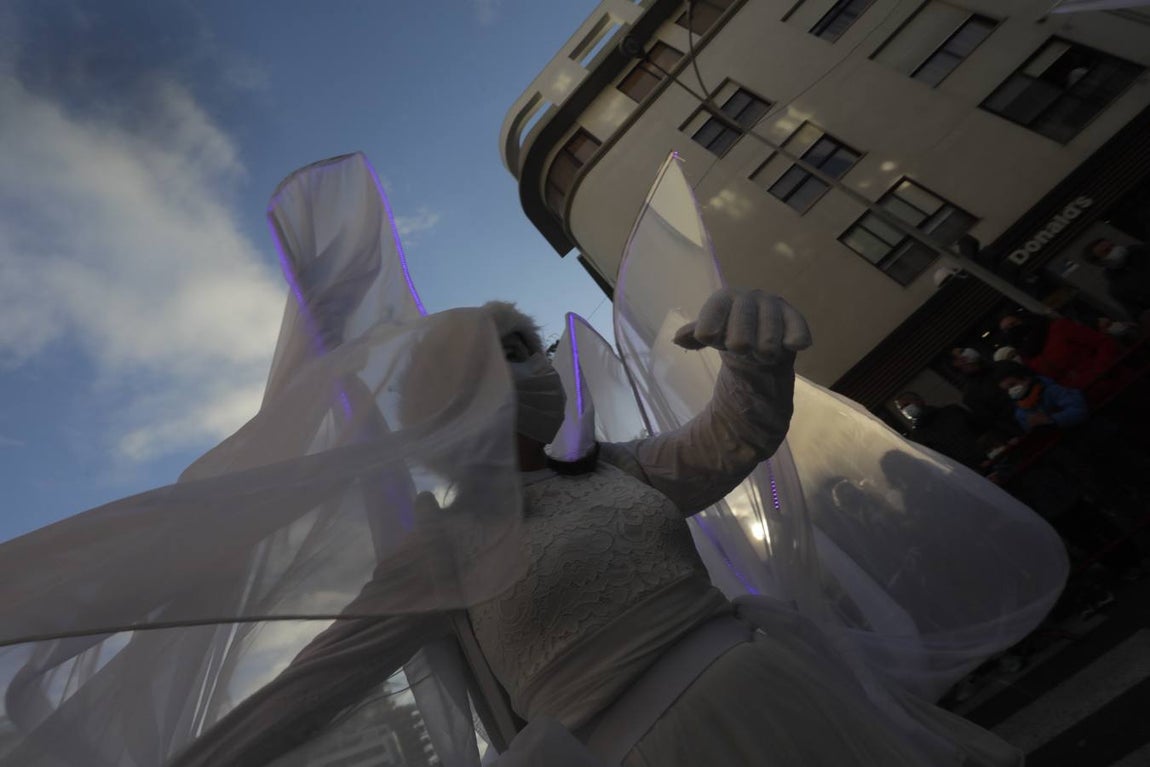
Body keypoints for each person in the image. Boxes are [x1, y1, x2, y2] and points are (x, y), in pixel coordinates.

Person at [173, 290, 1019, 767]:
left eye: (527, 342)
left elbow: (733, 436)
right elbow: (314, 683)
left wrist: (754, 361)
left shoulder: (617, 465)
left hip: (790, 701)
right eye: (502, 352)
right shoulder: (442, 544)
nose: (532, 363)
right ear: (448, 397)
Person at [998, 311, 1120, 392]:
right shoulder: (1027, 355)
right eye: (1006, 330)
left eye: (1013, 324)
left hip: (1111, 380)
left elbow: (1102, 343)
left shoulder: (1058, 328)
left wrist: (1100, 370)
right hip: (1086, 395)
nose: (1012, 330)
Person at [893, 392, 987, 470]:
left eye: (907, 405)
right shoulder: (917, 437)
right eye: (902, 409)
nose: (905, 410)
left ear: (919, 400)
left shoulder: (951, 412)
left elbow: (980, 428)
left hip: (987, 457)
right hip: (969, 472)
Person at [992, 361, 1089, 434]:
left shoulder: (1050, 390)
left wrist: (1052, 420)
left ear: (1026, 378)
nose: (1011, 391)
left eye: (1012, 385)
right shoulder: (1020, 411)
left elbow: (1079, 409)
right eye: (1006, 390)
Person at [948, 347, 1019, 433]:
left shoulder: (1004, 365)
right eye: (961, 353)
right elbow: (995, 422)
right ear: (956, 364)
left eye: (963, 350)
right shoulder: (971, 395)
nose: (966, 353)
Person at [1085, 237, 1150, 329]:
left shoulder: (1143, 251)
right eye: (1107, 251)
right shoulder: (1116, 288)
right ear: (1100, 263)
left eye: (1113, 246)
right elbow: (1137, 313)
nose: (1115, 250)